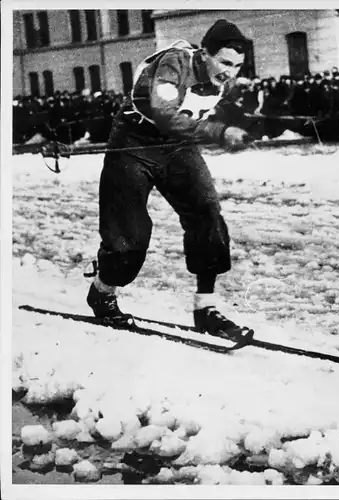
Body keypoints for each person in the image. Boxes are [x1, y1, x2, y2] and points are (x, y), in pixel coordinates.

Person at [87, 19, 254, 340]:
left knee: (207, 212)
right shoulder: (175, 62)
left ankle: (206, 307)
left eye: (237, 66)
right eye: (225, 62)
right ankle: (102, 290)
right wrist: (220, 133)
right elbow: (164, 114)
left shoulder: (224, 79)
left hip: (177, 147)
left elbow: (213, 111)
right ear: (204, 53)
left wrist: (243, 126)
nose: (230, 72)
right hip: (135, 143)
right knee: (130, 233)